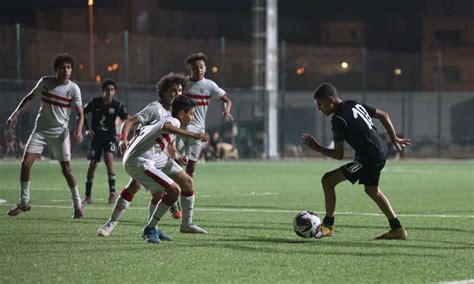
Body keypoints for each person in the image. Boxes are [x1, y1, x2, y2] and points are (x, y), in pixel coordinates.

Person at [97, 74, 203, 237]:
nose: (177, 94)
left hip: (157, 154)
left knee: (186, 182)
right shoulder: (156, 109)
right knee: (138, 187)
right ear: (164, 92)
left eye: (180, 90)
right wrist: (122, 139)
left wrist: (177, 155)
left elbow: (168, 141)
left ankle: (183, 224)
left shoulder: (176, 113)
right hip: (142, 153)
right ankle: (113, 223)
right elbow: (130, 122)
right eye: (173, 91)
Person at [301, 83, 411, 240]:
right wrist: (394, 139)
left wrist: (318, 148)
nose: (319, 109)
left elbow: (338, 154)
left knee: (328, 180)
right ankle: (397, 229)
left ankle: (327, 226)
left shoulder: (338, 119)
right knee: (372, 191)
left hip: (370, 156)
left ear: (330, 100)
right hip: (379, 151)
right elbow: (384, 115)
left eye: (320, 104)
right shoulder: (354, 104)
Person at [116, 95, 208, 243]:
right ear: (182, 114)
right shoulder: (172, 121)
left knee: (187, 182)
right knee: (173, 190)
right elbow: (166, 127)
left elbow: (165, 142)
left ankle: (186, 224)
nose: (192, 118)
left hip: (153, 157)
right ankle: (150, 228)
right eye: (191, 114)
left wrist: (177, 157)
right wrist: (194, 134)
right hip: (139, 161)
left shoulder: (169, 121)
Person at [6, 53, 85, 218]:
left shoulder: (73, 89)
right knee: (25, 164)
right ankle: (25, 202)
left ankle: (78, 205)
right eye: (63, 67)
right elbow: (29, 98)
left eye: (69, 67)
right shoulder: (45, 82)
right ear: (56, 69)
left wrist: (78, 130)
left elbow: (80, 113)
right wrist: (15, 113)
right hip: (40, 130)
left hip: (60, 134)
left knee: (66, 169)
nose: (66, 70)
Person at [82, 78, 128, 205]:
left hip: (110, 136)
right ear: (102, 91)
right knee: (92, 164)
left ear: (114, 92)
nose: (109, 92)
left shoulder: (117, 105)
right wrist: (87, 129)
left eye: (112, 90)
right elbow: (82, 112)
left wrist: (124, 134)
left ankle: (112, 193)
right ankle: (87, 196)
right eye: (107, 90)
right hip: (96, 137)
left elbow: (127, 119)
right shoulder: (95, 102)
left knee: (109, 159)